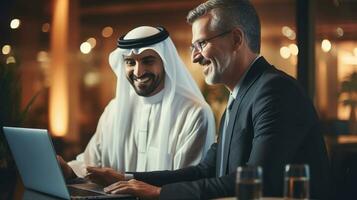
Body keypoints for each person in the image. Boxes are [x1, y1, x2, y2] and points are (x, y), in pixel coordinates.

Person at [86, 1, 332, 199]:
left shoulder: (274, 90)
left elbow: (256, 179)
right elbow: (205, 171)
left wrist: (160, 193)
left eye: (201, 44)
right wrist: (126, 178)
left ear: (236, 39)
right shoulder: (242, 94)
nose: (194, 57)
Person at [58, 26, 216, 183]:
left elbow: (187, 183)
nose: (138, 72)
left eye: (147, 61)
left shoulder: (194, 113)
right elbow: (91, 163)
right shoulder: (114, 109)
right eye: (130, 62)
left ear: (165, 63)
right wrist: (69, 170)